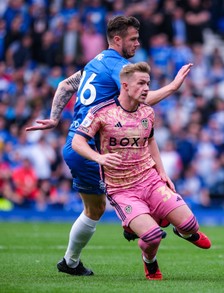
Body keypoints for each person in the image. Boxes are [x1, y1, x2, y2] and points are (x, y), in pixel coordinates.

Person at [25, 15, 193, 276]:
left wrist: (55, 117)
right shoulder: (118, 65)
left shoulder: (96, 61)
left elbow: (64, 85)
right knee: (121, 194)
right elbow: (142, 99)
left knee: (95, 209)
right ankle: (131, 227)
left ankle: (71, 262)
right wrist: (173, 86)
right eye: (133, 39)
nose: (138, 43)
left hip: (77, 143)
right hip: (91, 147)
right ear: (117, 39)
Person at [72, 61, 211, 280]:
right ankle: (150, 262)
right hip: (121, 188)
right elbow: (77, 142)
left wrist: (162, 172)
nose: (146, 88)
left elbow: (151, 140)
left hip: (150, 180)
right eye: (141, 83)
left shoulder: (147, 112)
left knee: (190, 225)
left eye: (148, 83)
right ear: (125, 86)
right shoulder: (101, 112)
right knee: (153, 236)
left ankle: (181, 229)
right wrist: (99, 157)